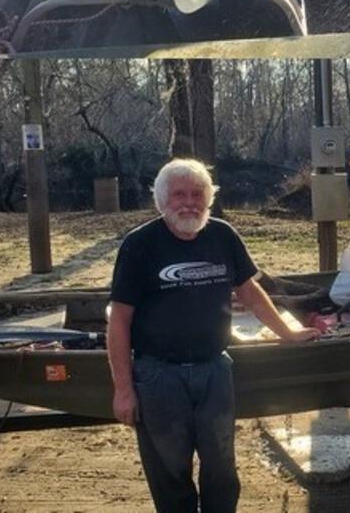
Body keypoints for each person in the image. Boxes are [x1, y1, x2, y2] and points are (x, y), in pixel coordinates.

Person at [107, 159, 319, 513]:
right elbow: (118, 321)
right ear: (162, 201)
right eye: (179, 195)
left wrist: (289, 333)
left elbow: (250, 292)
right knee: (170, 471)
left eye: (197, 194)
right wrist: (124, 390)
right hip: (159, 376)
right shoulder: (139, 245)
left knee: (222, 468)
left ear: (208, 199)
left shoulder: (222, 235)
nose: (189, 203)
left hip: (215, 370)